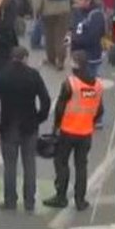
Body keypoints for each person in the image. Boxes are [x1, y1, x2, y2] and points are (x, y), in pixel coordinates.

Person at [0, 46, 51, 213]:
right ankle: (29, 201)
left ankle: (10, 201)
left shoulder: (0, 76)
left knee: (10, 166)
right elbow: (46, 100)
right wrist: (39, 117)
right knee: (29, 164)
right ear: (25, 58)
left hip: (8, 125)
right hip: (29, 125)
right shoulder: (33, 75)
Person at [45, 50, 103, 211]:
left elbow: (60, 109)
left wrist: (55, 127)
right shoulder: (97, 85)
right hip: (85, 133)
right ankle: (80, 200)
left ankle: (61, 196)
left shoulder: (70, 84)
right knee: (81, 166)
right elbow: (99, 110)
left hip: (68, 131)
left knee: (61, 163)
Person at [68, 0, 106, 79]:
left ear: (88, 1)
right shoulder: (77, 11)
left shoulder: (96, 16)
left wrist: (75, 38)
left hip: (90, 58)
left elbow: (92, 38)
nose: (77, 1)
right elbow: (73, 27)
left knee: (89, 85)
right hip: (77, 57)